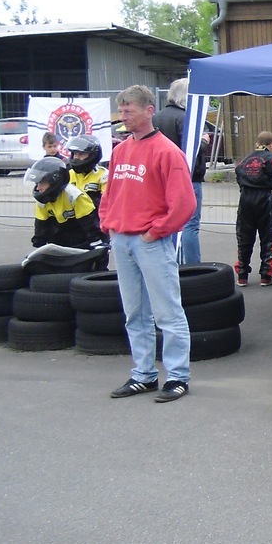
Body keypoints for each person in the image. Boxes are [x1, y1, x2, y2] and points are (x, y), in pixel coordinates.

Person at [98, 84, 196, 403]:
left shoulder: (167, 152)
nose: (124, 116)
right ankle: (143, 374)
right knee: (135, 312)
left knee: (167, 312)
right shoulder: (121, 150)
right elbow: (109, 194)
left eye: (130, 110)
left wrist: (156, 232)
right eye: (122, 110)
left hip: (150, 242)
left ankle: (178, 376)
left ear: (148, 110)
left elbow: (184, 203)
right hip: (123, 240)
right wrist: (108, 224)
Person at [153, 78, 206, 264]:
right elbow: (190, 148)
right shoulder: (186, 118)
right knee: (190, 224)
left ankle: (170, 260)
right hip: (188, 178)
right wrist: (204, 141)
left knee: (167, 222)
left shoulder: (156, 117)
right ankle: (193, 267)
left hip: (161, 179)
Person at [234, 131, 272, 287]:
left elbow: (238, 175)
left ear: (257, 143)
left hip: (245, 200)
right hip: (263, 200)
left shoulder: (245, 160)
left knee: (244, 237)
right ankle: (266, 276)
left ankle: (242, 276)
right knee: (267, 237)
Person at [24, 156, 106, 250]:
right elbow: (41, 225)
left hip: (81, 240)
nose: (38, 188)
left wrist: (96, 244)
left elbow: (89, 224)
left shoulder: (75, 196)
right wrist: (39, 244)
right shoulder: (42, 200)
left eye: (41, 183)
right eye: (37, 184)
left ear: (54, 181)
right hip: (58, 240)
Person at [66, 135, 109, 209]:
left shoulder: (104, 175)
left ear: (93, 155)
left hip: (95, 217)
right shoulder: (68, 174)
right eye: (75, 154)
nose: (76, 158)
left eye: (81, 154)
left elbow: (107, 204)